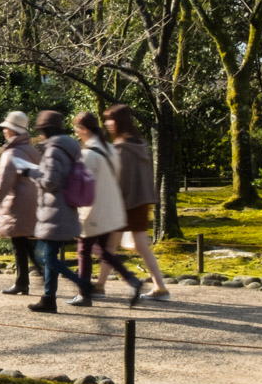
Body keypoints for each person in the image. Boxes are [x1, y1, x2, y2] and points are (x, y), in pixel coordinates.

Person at [24, 110, 94, 313]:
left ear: (46, 130)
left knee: (46, 258)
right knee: (49, 255)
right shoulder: (69, 146)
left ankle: (80, 283)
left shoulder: (54, 150)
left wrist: (30, 172)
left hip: (56, 210)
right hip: (63, 209)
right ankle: (48, 299)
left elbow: (50, 182)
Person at [71, 112, 144, 307]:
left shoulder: (87, 154)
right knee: (105, 250)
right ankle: (132, 280)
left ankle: (83, 295)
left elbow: (82, 186)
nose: (76, 133)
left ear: (84, 129)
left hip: (94, 208)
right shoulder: (111, 149)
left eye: (77, 129)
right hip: (113, 207)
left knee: (84, 250)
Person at [102, 103, 170, 300]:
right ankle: (160, 287)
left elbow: (118, 181)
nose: (107, 124)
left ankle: (98, 287)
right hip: (141, 203)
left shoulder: (122, 149)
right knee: (139, 246)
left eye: (110, 119)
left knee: (110, 247)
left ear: (119, 122)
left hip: (123, 204)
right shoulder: (140, 146)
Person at [0, 111, 42, 295]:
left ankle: (23, 282)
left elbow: (2, 183)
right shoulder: (32, 150)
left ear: (10, 130)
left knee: (19, 244)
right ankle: (34, 276)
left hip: (17, 203)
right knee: (26, 244)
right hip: (34, 202)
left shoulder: (11, 153)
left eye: (5, 128)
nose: (4, 131)